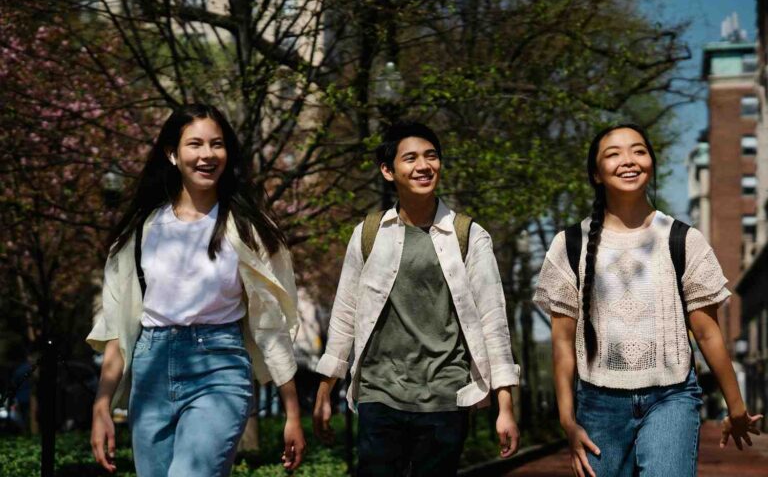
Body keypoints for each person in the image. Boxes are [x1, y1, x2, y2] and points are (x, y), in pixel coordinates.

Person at [533, 124, 763, 477]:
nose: (628, 160)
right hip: (597, 404)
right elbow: (563, 343)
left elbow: (708, 334)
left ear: (652, 163)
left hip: (671, 397)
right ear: (596, 174)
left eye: (638, 151)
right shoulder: (570, 246)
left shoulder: (684, 240)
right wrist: (568, 421)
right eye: (613, 154)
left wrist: (736, 407)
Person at [87, 104, 305, 476]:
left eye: (216, 144)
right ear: (173, 153)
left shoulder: (249, 231)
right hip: (151, 366)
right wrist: (102, 404)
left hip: (219, 366)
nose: (207, 155)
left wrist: (292, 412)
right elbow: (118, 327)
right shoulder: (142, 231)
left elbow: (271, 325)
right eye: (195, 144)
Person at [312, 120, 521, 476]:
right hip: (380, 393)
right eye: (410, 158)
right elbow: (346, 311)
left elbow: (492, 320)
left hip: (445, 395)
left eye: (431, 156)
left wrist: (505, 404)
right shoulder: (369, 233)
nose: (423, 166)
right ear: (388, 170)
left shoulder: (469, 235)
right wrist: (325, 388)